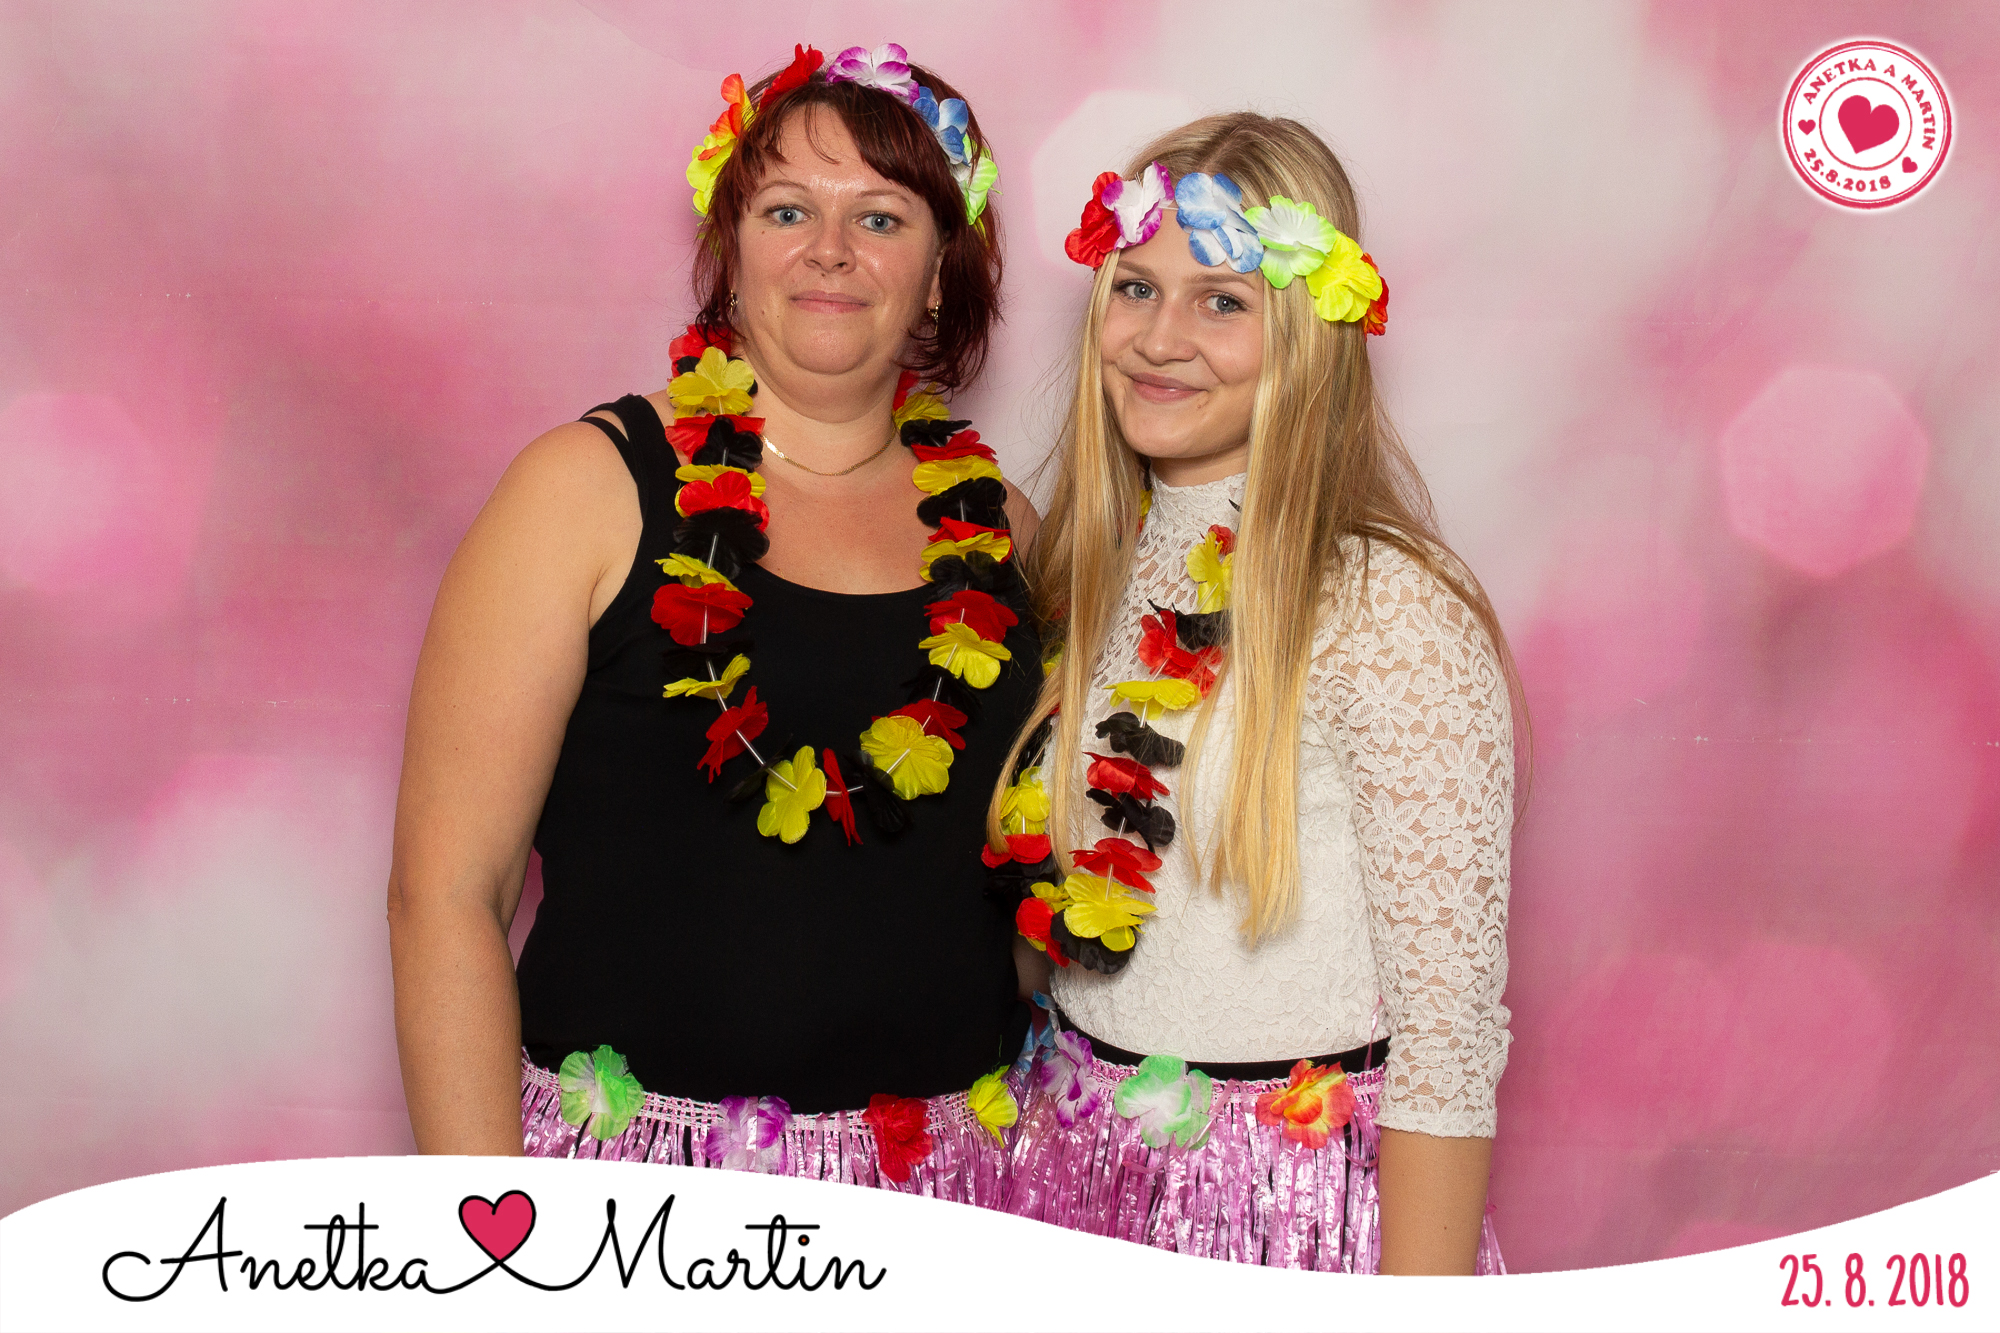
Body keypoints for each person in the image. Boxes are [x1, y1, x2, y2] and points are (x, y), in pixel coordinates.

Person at [387, 43, 1041, 1202]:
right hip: (633, 1196)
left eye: (880, 218)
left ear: (940, 270)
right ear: (731, 251)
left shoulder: (1003, 532)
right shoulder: (582, 490)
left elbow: (1032, 903)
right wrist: (490, 1236)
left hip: (951, 1195)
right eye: (787, 209)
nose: (829, 249)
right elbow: (445, 897)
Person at [990, 114, 1515, 1271]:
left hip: (1283, 1208)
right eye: (1136, 288)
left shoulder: (1385, 604)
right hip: (1067, 1168)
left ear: (1305, 333)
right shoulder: (1082, 567)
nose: (1158, 338)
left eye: (1220, 301)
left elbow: (1447, 1043)